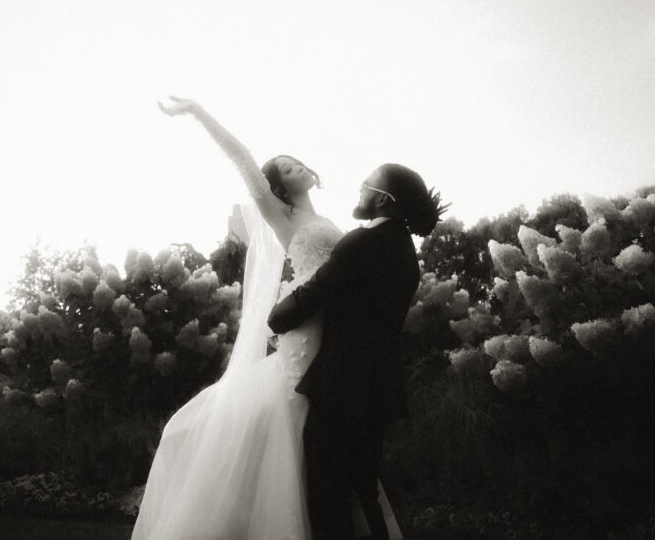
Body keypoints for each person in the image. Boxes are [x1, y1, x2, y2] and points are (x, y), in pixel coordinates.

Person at [131, 96, 404, 540]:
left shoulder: (331, 219)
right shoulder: (282, 215)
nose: (295, 166)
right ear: (276, 184)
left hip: (333, 331)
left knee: (324, 431)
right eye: (285, 166)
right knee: (292, 417)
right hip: (306, 330)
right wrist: (198, 112)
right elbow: (241, 158)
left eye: (296, 160)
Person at [268, 163, 449, 540]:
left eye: (366, 185)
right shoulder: (404, 251)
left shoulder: (362, 244)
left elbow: (314, 292)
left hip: (343, 386)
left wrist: (274, 319)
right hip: (378, 389)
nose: (360, 190)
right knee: (363, 491)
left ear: (383, 199)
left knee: (325, 493)